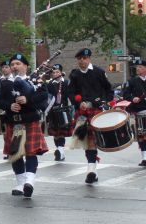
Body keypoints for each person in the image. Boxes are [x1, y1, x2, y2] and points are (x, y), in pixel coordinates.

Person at [0, 53, 49, 198]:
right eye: (12, 64)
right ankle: (20, 183)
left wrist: (28, 100)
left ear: (26, 66)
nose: (14, 67)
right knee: (15, 154)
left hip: (29, 120)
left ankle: (29, 182)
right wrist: (9, 105)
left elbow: (44, 97)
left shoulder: (35, 80)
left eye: (18, 64)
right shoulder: (5, 83)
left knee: (31, 152)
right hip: (13, 121)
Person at [67, 48, 114, 183]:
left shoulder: (99, 72)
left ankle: (92, 168)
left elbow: (108, 90)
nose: (82, 61)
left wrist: (104, 103)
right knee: (88, 141)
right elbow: (70, 92)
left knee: (94, 141)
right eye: (79, 59)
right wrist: (78, 103)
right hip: (82, 112)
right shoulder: (74, 75)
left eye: (84, 58)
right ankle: (92, 169)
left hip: (96, 110)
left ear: (89, 59)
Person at [122, 58, 146, 166]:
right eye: (137, 67)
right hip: (140, 111)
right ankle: (144, 157)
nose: (138, 69)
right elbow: (125, 94)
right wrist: (133, 98)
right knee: (142, 135)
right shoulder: (132, 81)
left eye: (140, 67)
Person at [46, 63, 72, 161]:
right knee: (55, 133)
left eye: (57, 72)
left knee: (61, 132)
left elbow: (70, 97)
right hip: (52, 111)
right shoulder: (49, 84)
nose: (55, 74)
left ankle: (60, 151)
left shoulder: (66, 82)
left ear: (61, 72)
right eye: (53, 72)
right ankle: (60, 151)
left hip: (64, 110)